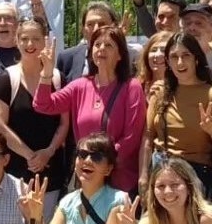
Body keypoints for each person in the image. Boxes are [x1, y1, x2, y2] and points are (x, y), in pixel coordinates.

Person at [34, 26, 145, 194]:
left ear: (120, 55)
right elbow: (43, 105)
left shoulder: (132, 87)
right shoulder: (81, 85)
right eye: (97, 44)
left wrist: (101, 164)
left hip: (119, 182)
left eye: (109, 45)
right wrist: (46, 74)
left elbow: (131, 137)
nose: (101, 49)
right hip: (87, 180)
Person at [142, 32, 212, 206]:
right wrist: (143, 176)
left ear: (196, 59)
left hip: (195, 180)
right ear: (168, 62)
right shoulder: (160, 93)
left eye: (186, 56)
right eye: (174, 57)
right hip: (161, 176)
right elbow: (148, 137)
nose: (180, 62)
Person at [0, 17, 69, 222]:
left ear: (45, 41)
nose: (30, 44)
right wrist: (30, 156)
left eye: (35, 39)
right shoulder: (6, 79)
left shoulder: (58, 79)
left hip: (50, 169)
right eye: (24, 38)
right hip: (15, 170)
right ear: (17, 41)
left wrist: (48, 152)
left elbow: (64, 122)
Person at [55, 1, 121, 84]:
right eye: (90, 24)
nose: (96, 29)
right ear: (83, 30)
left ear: (113, 27)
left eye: (102, 24)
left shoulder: (127, 58)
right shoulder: (66, 59)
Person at [136, 30, 171, 103]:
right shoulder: (137, 85)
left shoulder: (181, 87)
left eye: (163, 50)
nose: (157, 54)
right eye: (153, 50)